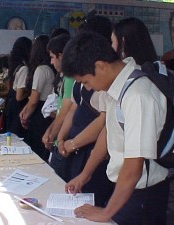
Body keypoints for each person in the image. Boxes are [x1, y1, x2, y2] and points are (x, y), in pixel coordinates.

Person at [62, 31, 170, 225]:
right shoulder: (118, 87)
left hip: (142, 194)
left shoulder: (137, 95)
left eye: (86, 81)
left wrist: (105, 213)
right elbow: (108, 132)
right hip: (125, 188)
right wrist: (85, 175)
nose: (90, 88)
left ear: (100, 66)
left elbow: (133, 167)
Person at [56, 16, 114, 207]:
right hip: (77, 149)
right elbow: (73, 108)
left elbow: (104, 123)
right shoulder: (85, 78)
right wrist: (61, 138)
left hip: (93, 151)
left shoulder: (110, 85)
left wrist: (72, 143)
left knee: (93, 200)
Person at [41, 34, 74, 178]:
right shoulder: (64, 77)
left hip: (64, 140)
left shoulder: (71, 78)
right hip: (58, 139)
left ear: (61, 56)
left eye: (52, 57)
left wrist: (53, 135)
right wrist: (49, 131)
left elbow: (66, 111)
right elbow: (61, 110)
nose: (51, 61)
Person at [19, 35, 55, 162]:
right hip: (46, 111)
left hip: (40, 113)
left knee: (36, 150)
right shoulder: (50, 69)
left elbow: (34, 100)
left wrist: (25, 116)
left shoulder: (41, 70)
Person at [5, 36, 32, 138]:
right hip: (18, 109)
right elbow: (19, 96)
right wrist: (30, 93)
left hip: (11, 107)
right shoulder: (24, 69)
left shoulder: (14, 67)